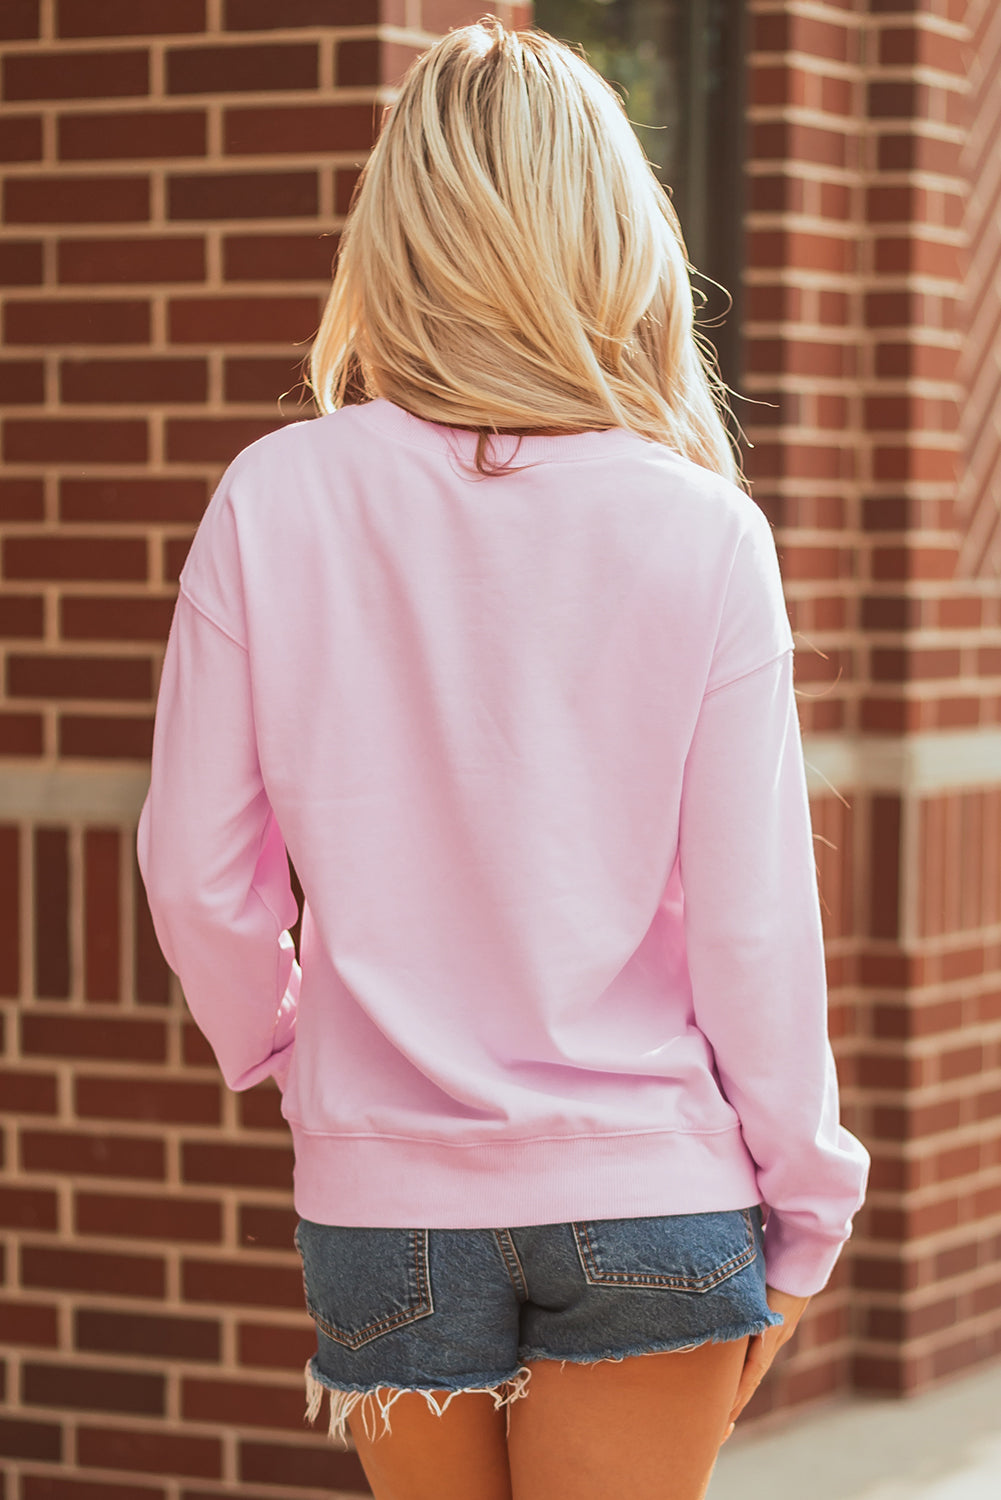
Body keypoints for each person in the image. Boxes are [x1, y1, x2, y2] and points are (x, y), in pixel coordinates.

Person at [137, 18, 869, 1500]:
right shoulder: (701, 527)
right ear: (613, 236)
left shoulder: (274, 497)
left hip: (381, 1196)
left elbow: (194, 873)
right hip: (650, 1187)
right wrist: (808, 1201)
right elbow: (750, 928)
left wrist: (291, 1052)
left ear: (391, 236)